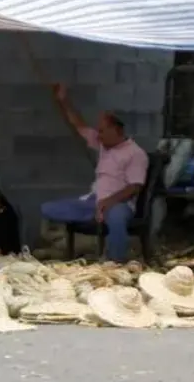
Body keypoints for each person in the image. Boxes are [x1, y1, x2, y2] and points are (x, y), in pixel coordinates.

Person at [41, 83, 148, 263]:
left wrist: (108, 202)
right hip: (94, 200)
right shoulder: (104, 145)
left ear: (117, 130)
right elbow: (78, 125)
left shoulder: (135, 153)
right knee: (48, 209)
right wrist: (63, 101)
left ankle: (115, 262)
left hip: (119, 203)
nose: (99, 135)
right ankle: (83, 224)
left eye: (103, 131)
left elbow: (134, 187)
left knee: (116, 218)